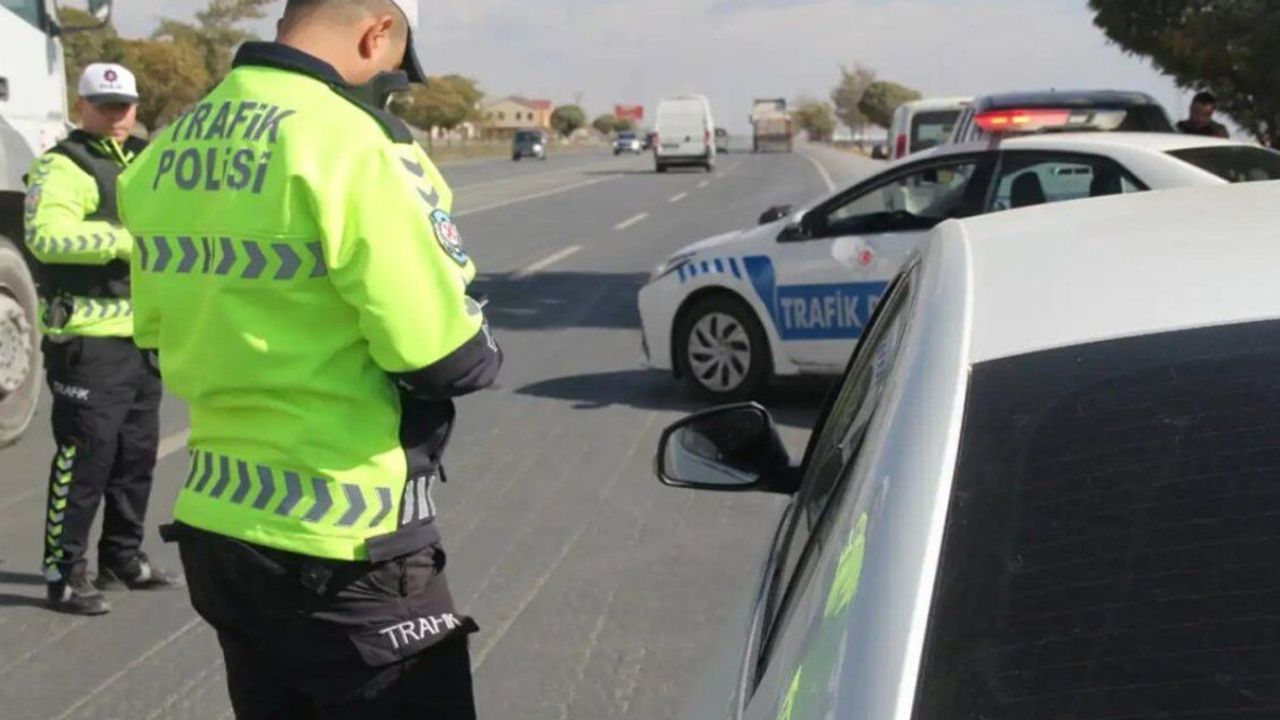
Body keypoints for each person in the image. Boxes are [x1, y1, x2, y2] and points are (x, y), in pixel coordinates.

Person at [116, 1, 502, 717]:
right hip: (347, 541)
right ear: (376, 33)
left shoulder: (166, 150)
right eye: (394, 67)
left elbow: (155, 337)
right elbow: (445, 357)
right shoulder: (359, 146)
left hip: (220, 530)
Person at [22, 63, 183, 616]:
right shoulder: (63, 164)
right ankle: (64, 572)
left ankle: (123, 558)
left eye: (125, 105)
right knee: (85, 460)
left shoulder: (144, 158)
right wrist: (124, 241)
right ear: (82, 106)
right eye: (106, 105)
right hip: (88, 340)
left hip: (142, 336)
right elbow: (46, 237)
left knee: (135, 458)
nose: (118, 115)